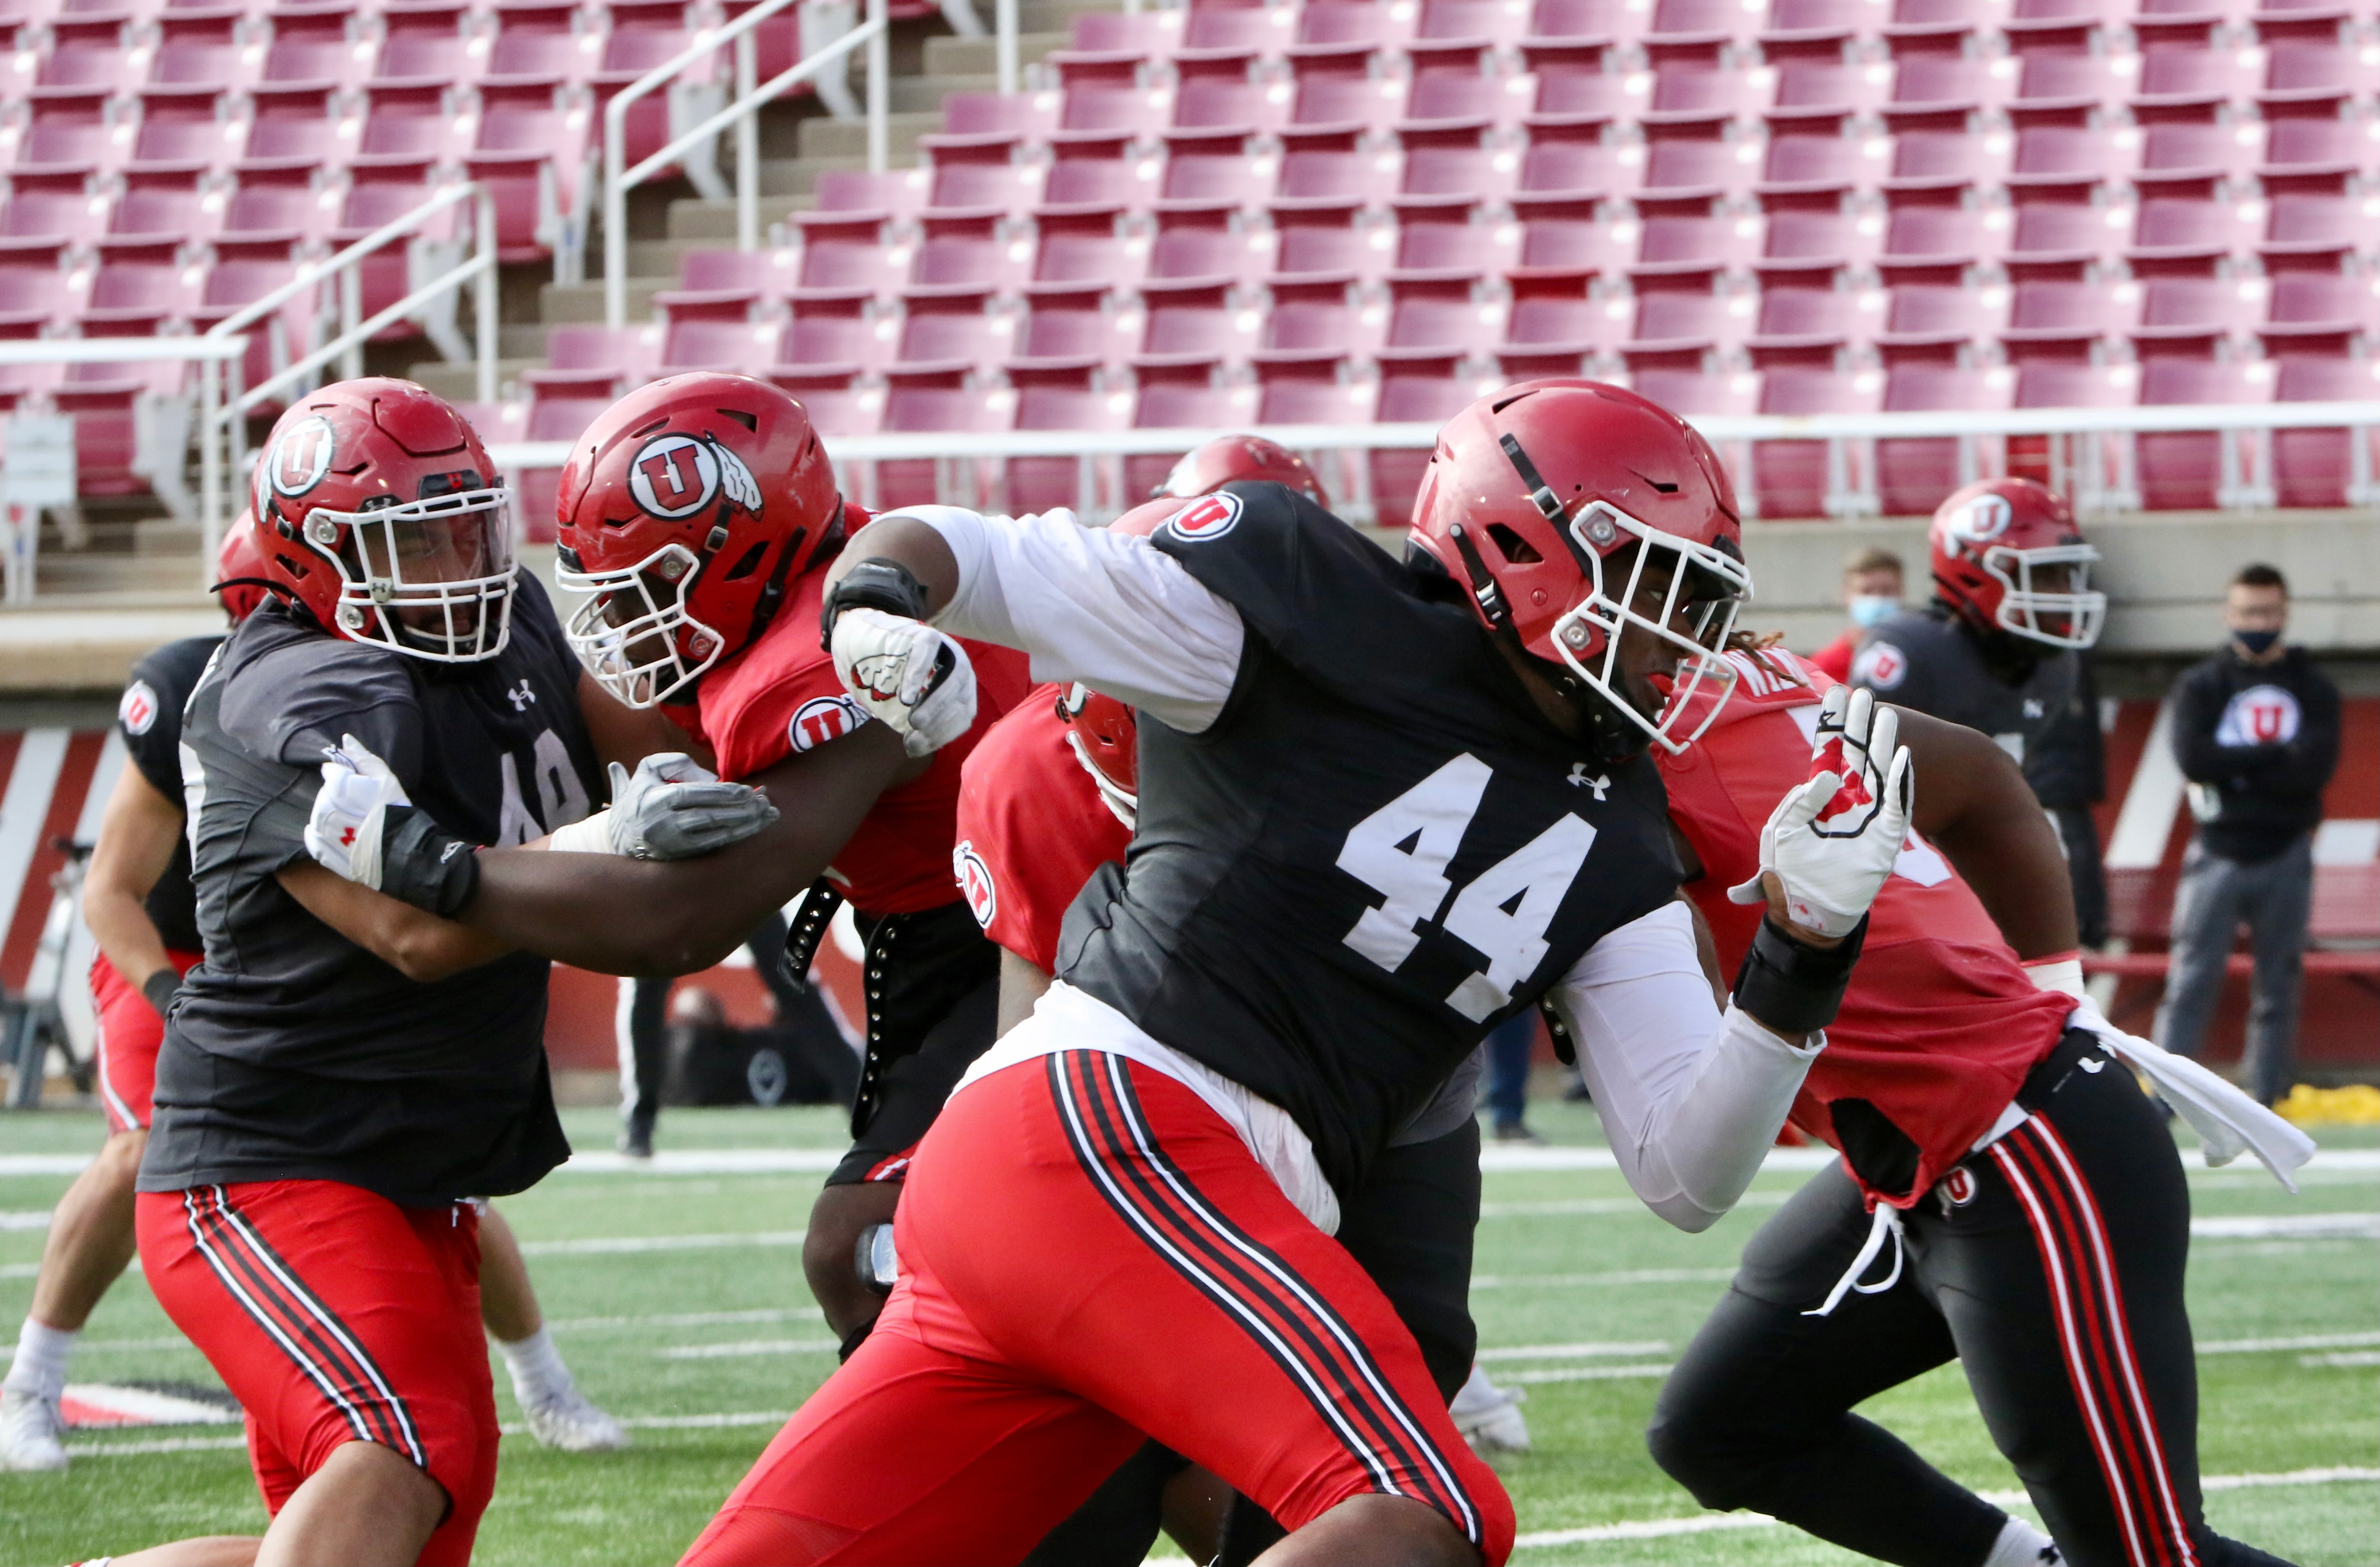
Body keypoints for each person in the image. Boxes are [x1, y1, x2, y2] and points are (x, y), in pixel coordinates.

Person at [668, 379, 1922, 1565]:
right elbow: (972, 552)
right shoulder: (1310, 600)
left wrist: (1800, 959)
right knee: (1424, 1510)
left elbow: (1686, 1171)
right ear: (1528, 542)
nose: (1682, 640)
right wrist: (873, 606)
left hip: (1062, 1193)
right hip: (1119, 1128)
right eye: (1662, 585)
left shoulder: (1621, 824)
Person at [120, 380, 770, 1567]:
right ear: (314, 552)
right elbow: (419, 935)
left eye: (467, 527)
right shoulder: (292, 690)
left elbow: (622, 727)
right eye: (412, 543)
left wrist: (695, 758)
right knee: (400, 1445)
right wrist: (604, 841)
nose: (454, 565)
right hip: (276, 1155)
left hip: (414, 1164)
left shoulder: (508, 612)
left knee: (403, 1521)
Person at [301, 373, 1033, 1352]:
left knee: (864, 1242)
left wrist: (432, 865)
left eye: (653, 581)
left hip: (1032, 934)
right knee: (892, 1245)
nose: (626, 617)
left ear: (749, 546)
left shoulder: (839, 659)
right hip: (954, 929)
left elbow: (682, 921)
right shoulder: (774, 606)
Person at [1647, 641, 2309, 1567]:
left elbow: (1981, 781)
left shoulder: (1648, 735)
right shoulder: (1747, 685)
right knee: (1722, 1425)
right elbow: (1983, 775)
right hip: (1910, 1158)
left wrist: (2057, 1005)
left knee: (2147, 1556)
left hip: (2023, 1142)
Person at [952, 481, 1517, 1567]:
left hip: (1375, 1085)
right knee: (1088, 1424)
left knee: (1405, 1392)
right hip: (1132, 1092)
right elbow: (1018, 1031)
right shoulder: (1030, 772)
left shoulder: (1366, 733)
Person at [2155, 563, 2341, 1106]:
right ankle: (2167, 1099)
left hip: (2286, 849)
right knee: (2190, 980)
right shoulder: (2202, 685)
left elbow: (2314, 769)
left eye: (2267, 612)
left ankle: (2267, 1096)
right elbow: (2194, 758)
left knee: (2278, 984)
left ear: (2284, 614)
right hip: (2215, 849)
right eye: (2247, 612)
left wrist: (2236, 768)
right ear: (2227, 615)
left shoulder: (2313, 687)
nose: (2257, 622)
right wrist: (2275, 756)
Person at [1851, 479, 2104, 772]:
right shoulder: (1908, 654)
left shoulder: (2056, 666)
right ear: (1976, 573)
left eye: (2067, 577)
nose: (2065, 596)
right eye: (2044, 575)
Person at [613, 914, 857, 1158]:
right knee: (644, 981)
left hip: (733, 882)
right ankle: (640, 1116)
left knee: (794, 981)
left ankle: (862, 1101)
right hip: (674, 888)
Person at [1809, 546, 1904, 682]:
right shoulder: (1824, 668)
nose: (1877, 599)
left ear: (1901, 592)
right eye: (1866, 592)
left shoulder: (1912, 660)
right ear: (1847, 595)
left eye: (1886, 591)